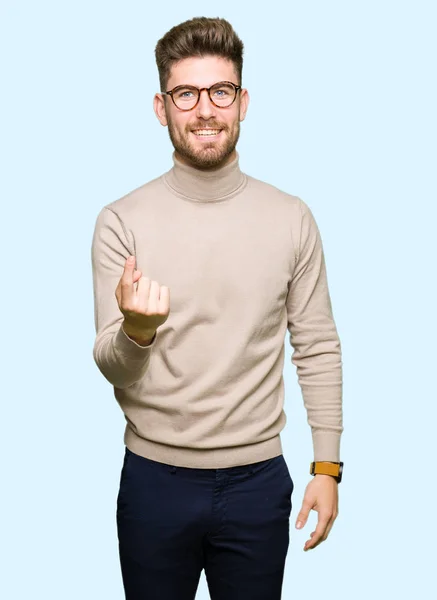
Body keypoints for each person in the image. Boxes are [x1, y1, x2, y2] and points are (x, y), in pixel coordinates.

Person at [91, 16, 343, 600]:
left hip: (258, 483)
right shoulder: (121, 221)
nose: (205, 110)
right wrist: (138, 331)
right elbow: (109, 362)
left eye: (220, 91)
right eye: (186, 94)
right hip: (154, 482)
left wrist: (326, 468)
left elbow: (318, 346)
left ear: (242, 100)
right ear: (162, 107)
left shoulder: (291, 218)